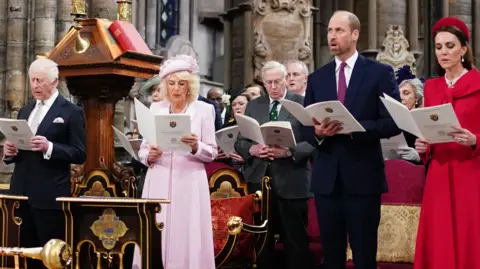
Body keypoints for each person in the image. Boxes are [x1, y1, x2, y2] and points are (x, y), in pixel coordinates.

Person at [303, 11, 400, 269]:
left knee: (364, 256)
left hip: (363, 178)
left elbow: (392, 122)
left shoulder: (379, 73)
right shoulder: (317, 78)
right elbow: (305, 129)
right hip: (327, 181)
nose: (332, 37)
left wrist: (354, 129)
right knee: (331, 257)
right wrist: (317, 133)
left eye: (339, 31)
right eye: (330, 31)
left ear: (355, 34)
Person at [132, 54, 217, 269]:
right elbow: (143, 150)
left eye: (182, 84)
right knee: (157, 228)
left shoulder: (204, 110)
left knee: (186, 232)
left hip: (188, 181)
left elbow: (212, 152)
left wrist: (196, 146)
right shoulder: (155, 109)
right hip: (158, 178)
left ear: (190, 86)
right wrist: (148, 156)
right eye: (171, 84)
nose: (176, 89)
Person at [3, 58, 86, 268]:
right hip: (20, 193)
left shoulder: (71, 112)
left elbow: (79, 153)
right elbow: (21, 150)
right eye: (32, 80)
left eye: (40, 80)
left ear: (55, 81)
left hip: (49, 194)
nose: (35, 85)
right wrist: (10, 152)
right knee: (19, 252)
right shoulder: (25, 111)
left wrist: (50, 147)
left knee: (48, 255)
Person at [413, 17, 480, 269]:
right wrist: (423, 146)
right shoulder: (431, 87)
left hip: (470, 175)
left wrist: (475, 140)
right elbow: (429, 130)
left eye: (450, 46)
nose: (443, 52)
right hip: (439, 175)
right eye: (439, 46)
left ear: (464, 49)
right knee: (438, 239)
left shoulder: (479, 85)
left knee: (469, 239)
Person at [235, 61, 315, 269]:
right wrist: (252, 150)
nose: (273, 87)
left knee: (296, 242)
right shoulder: (254, 105)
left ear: (286, 80)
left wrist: (289, 152)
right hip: (260, 182)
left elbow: (315, 141)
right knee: (262, 242)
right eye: (268, 82)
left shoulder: (302, 103)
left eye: (277, 82)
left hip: (293, 180)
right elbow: (241, 140)